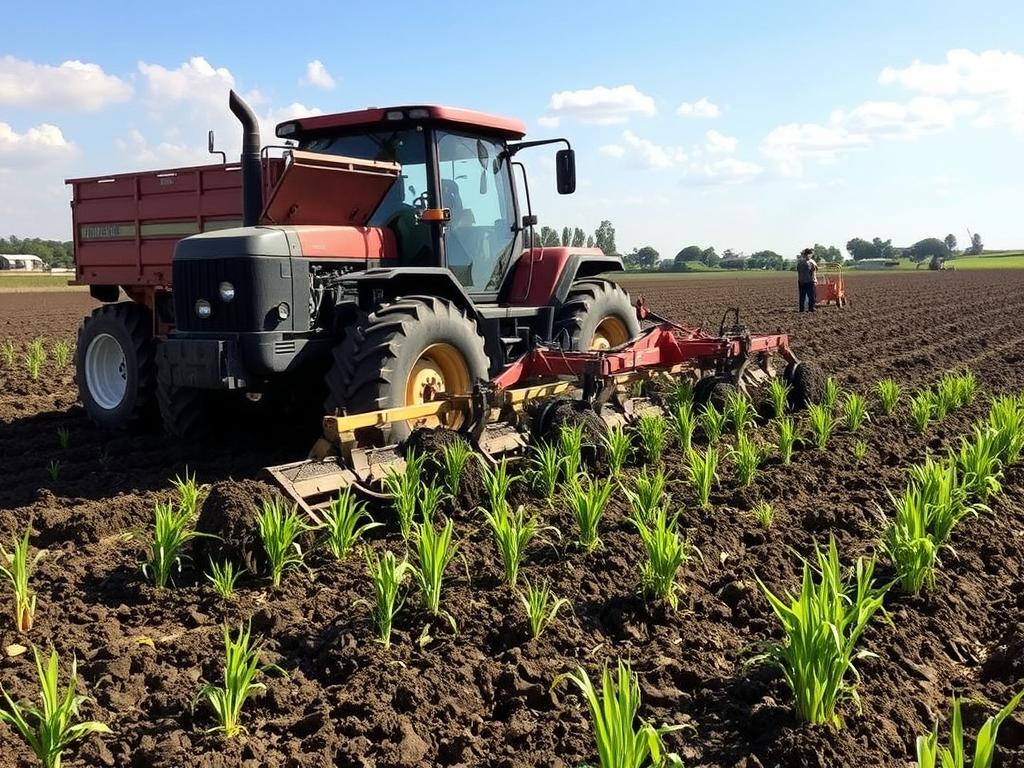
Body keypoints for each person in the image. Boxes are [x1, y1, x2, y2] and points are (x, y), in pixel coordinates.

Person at [797, 248, 818, 312]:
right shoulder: (811, 262)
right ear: (809, 254)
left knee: (802, 296)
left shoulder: (799, 262)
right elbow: (814, 271)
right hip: (809, 281)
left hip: (801, 281)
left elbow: (798, 270)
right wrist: (815, 280)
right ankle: (811, 308)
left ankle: (801, 309)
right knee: (811, 296)